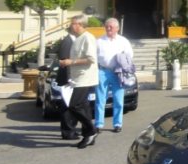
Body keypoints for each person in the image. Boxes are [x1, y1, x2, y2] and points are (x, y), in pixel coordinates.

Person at [59, 14, 98, 148]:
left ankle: (91, 129)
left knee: (74, 105)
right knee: (84, 107)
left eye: (74, 23)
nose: (71, 25)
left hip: (84, 77)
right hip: (76, 77)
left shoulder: (88, 38)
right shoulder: (78, 38)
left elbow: (91, 59)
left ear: (80, 25)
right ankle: (89, 135)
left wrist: (71, 62)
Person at [95, 17, 134, 133]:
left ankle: (117, 124)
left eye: (111, 27)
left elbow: (130, 55)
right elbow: (93, 56)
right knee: (100, 99)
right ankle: (98, 124)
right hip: (102, 71)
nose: (108, 28)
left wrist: (123, 63)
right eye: (107, 26)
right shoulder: (99, 41)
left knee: (118, 99)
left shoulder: (123, 41)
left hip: (118, 73)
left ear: (117, 28)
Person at [56, 30, 79, 140]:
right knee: (66, 106)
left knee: (72, 106)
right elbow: (64, 59)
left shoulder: (74, 40)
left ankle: (71, 129)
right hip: (67, 78)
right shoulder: (67, 41)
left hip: (72, 78)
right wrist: (70, 77)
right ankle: (67, 132)